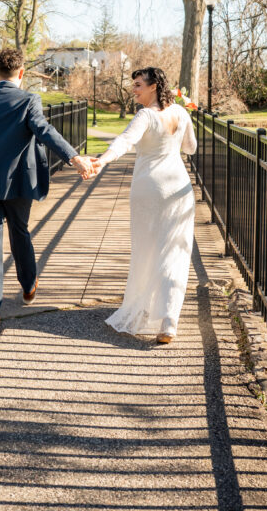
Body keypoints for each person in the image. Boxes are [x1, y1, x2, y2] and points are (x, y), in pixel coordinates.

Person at [0, 47, 94, 339]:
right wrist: (74, 158)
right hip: (19, 183)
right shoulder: (28, 100)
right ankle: (28, 284)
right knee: (20, 232)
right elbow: (44, 130)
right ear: (21, 73)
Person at [88, 66, 197, 344]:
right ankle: (169, 322)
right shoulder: (182, 113)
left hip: (149, 188)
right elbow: (190, 148)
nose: (134, 90)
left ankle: (147, 307)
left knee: (148, 249)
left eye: (138, 85)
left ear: (153, 87)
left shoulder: (146, 115)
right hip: (179, 188)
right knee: (175, 251)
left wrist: (103, 159)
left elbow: (126, 141)